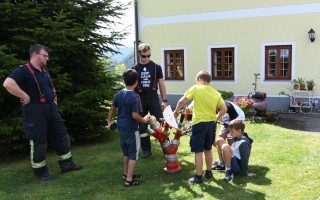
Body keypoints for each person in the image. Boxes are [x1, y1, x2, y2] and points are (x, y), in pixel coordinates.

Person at [2, 44, 83, 181]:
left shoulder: (44, 70)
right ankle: (41, 172)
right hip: (35, 111)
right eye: (45, 55)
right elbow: (7, 83)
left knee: (62, 136)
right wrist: (24, 96)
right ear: (35, 55)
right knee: (39, 140)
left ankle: (67, 165)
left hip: (51, 108)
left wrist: (54, 97)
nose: (47, 58)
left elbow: (50, 85)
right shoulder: (23, 70)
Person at [173, 70, 227, 184]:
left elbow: (181, 101)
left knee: (198, 151)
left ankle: (198, 177)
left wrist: (176, 111)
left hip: (199, 124)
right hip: (211, 124)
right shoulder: (216, 93)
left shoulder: (196, 88)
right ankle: (208, 172)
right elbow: (224, 109)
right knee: (208, 149)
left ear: (200, 80)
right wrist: (216, 118)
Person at [108, 69, 149, 187]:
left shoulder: (119, 93)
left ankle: (126, 174)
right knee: (133, 154)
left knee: (126, 153)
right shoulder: (135, 97)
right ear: (136, 82)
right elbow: (135, 115)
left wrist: (109, 121)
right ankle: (129, 180)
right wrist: (144, 120)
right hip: (131, 129)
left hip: (121, 128)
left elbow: (112, 108)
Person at [132, 43, 168, 158]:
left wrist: (164, 100)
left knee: (159, 125)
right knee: (142, 126)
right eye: (144, 56)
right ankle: (146, 150)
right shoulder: (134, 69)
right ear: (139, 54)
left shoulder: (156, 67)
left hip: (153, 99)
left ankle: (166, 148)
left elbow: (161, 84)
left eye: (149, 55)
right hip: (140, 100)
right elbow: (131, 87)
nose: (146, 58)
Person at [212, 100, 245, 170]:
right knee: (219, 140)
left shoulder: (228, 107)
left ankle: (230, 159)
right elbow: (215, 121)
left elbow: (232, 124)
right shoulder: (214, 108)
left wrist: (225, 133)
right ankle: (222, 161)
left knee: (230, 140)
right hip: (226, 122)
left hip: (237, 119)